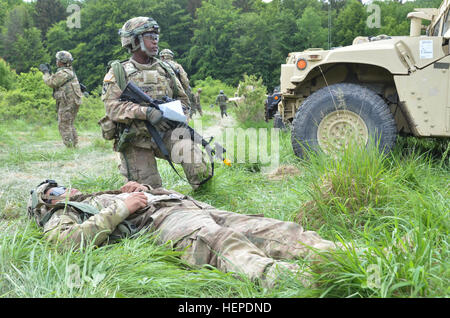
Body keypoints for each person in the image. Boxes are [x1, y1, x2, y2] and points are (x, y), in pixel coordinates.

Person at [27, 179, 340, 288]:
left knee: (276, 229)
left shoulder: (93, 198)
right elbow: (67, 243)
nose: (67, 188)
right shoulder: (61, 214)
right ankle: (311, 280)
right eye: (56, 189)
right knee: (219, 243)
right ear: (46, 201)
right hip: (162, 222)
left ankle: (344, 257)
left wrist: (140, 190)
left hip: (190, 205)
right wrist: (121, 208)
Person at [101, 17, 211, 190]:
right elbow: (112, 108)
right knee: (148, 192)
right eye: (150, 36)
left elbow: (183, 100)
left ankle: (205, 196)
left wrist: (177, 116)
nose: (155, 41)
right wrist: (146, 113)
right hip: (136, 139)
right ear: (135, 40)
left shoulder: (166, 69)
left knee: (198, 166)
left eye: (156, 37)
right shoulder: (119, 72)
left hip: (167, 132)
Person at [39, 51, 83, 148]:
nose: (56, 62)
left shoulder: (63, 73)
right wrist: (51, 73)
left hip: (67, 102)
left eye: (57, 60)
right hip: (74, 101)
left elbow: (51, 82)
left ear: (61, 62)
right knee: (69, 123)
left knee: (64, 124)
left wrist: (45, 73)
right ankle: (74, 145)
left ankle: (70, 147)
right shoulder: (70, 71)